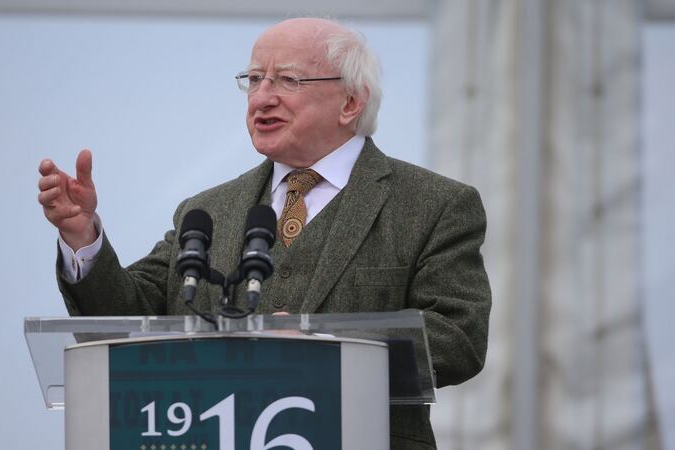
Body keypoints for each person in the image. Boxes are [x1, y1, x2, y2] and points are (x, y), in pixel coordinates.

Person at [37, 17, 490, 450]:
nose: (262, 97)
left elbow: (459, 336)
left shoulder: (433, 204)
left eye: (288, 80)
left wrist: (329, 349)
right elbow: (125, 320)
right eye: (254, 80)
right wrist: (83, 238)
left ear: (350, 102)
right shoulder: (207, 210)